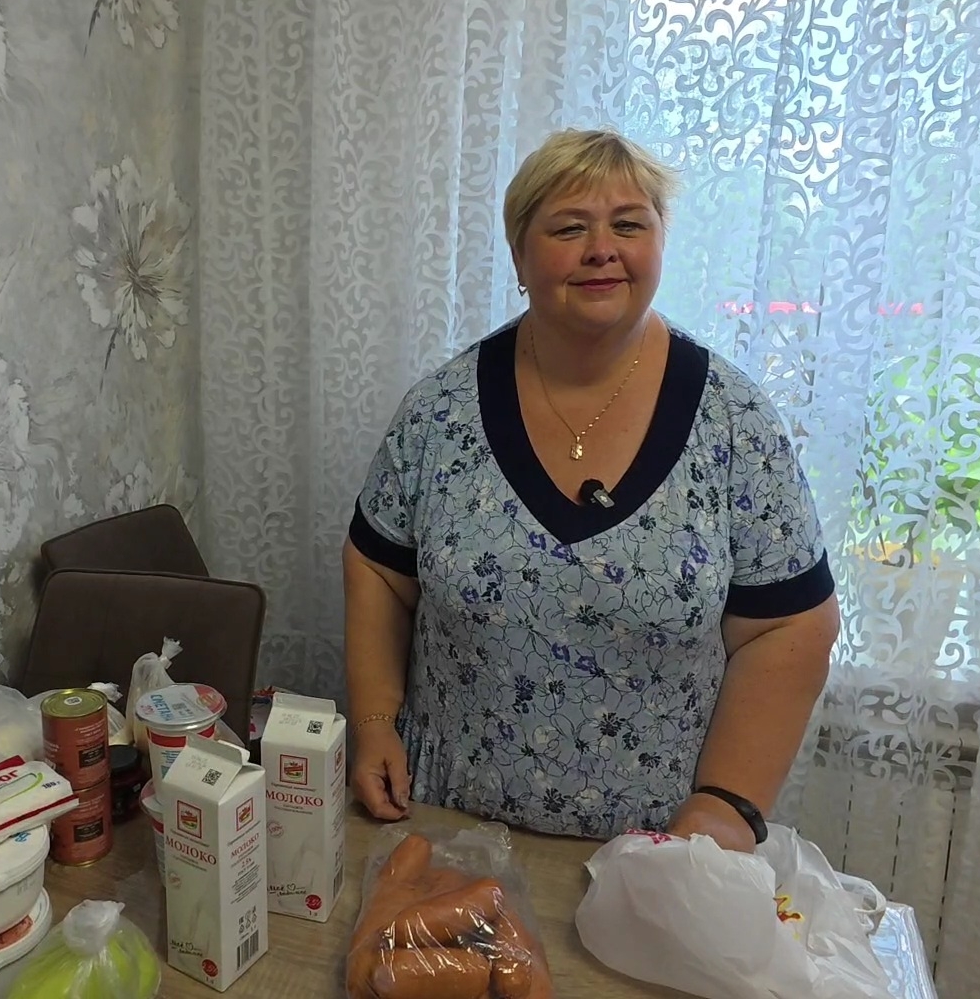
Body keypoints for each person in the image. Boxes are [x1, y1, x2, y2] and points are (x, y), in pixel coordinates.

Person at [342, 128, 839, 851]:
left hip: (654, 861)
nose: (602, 249)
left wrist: (727, 804)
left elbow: (790, 626)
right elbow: (379, 571)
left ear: (659, 244)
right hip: (448, 832)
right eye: (569, 228)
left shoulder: (736, 422)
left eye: (629, 225)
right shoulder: (440, 411)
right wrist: (374, 724)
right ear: (520, 256)